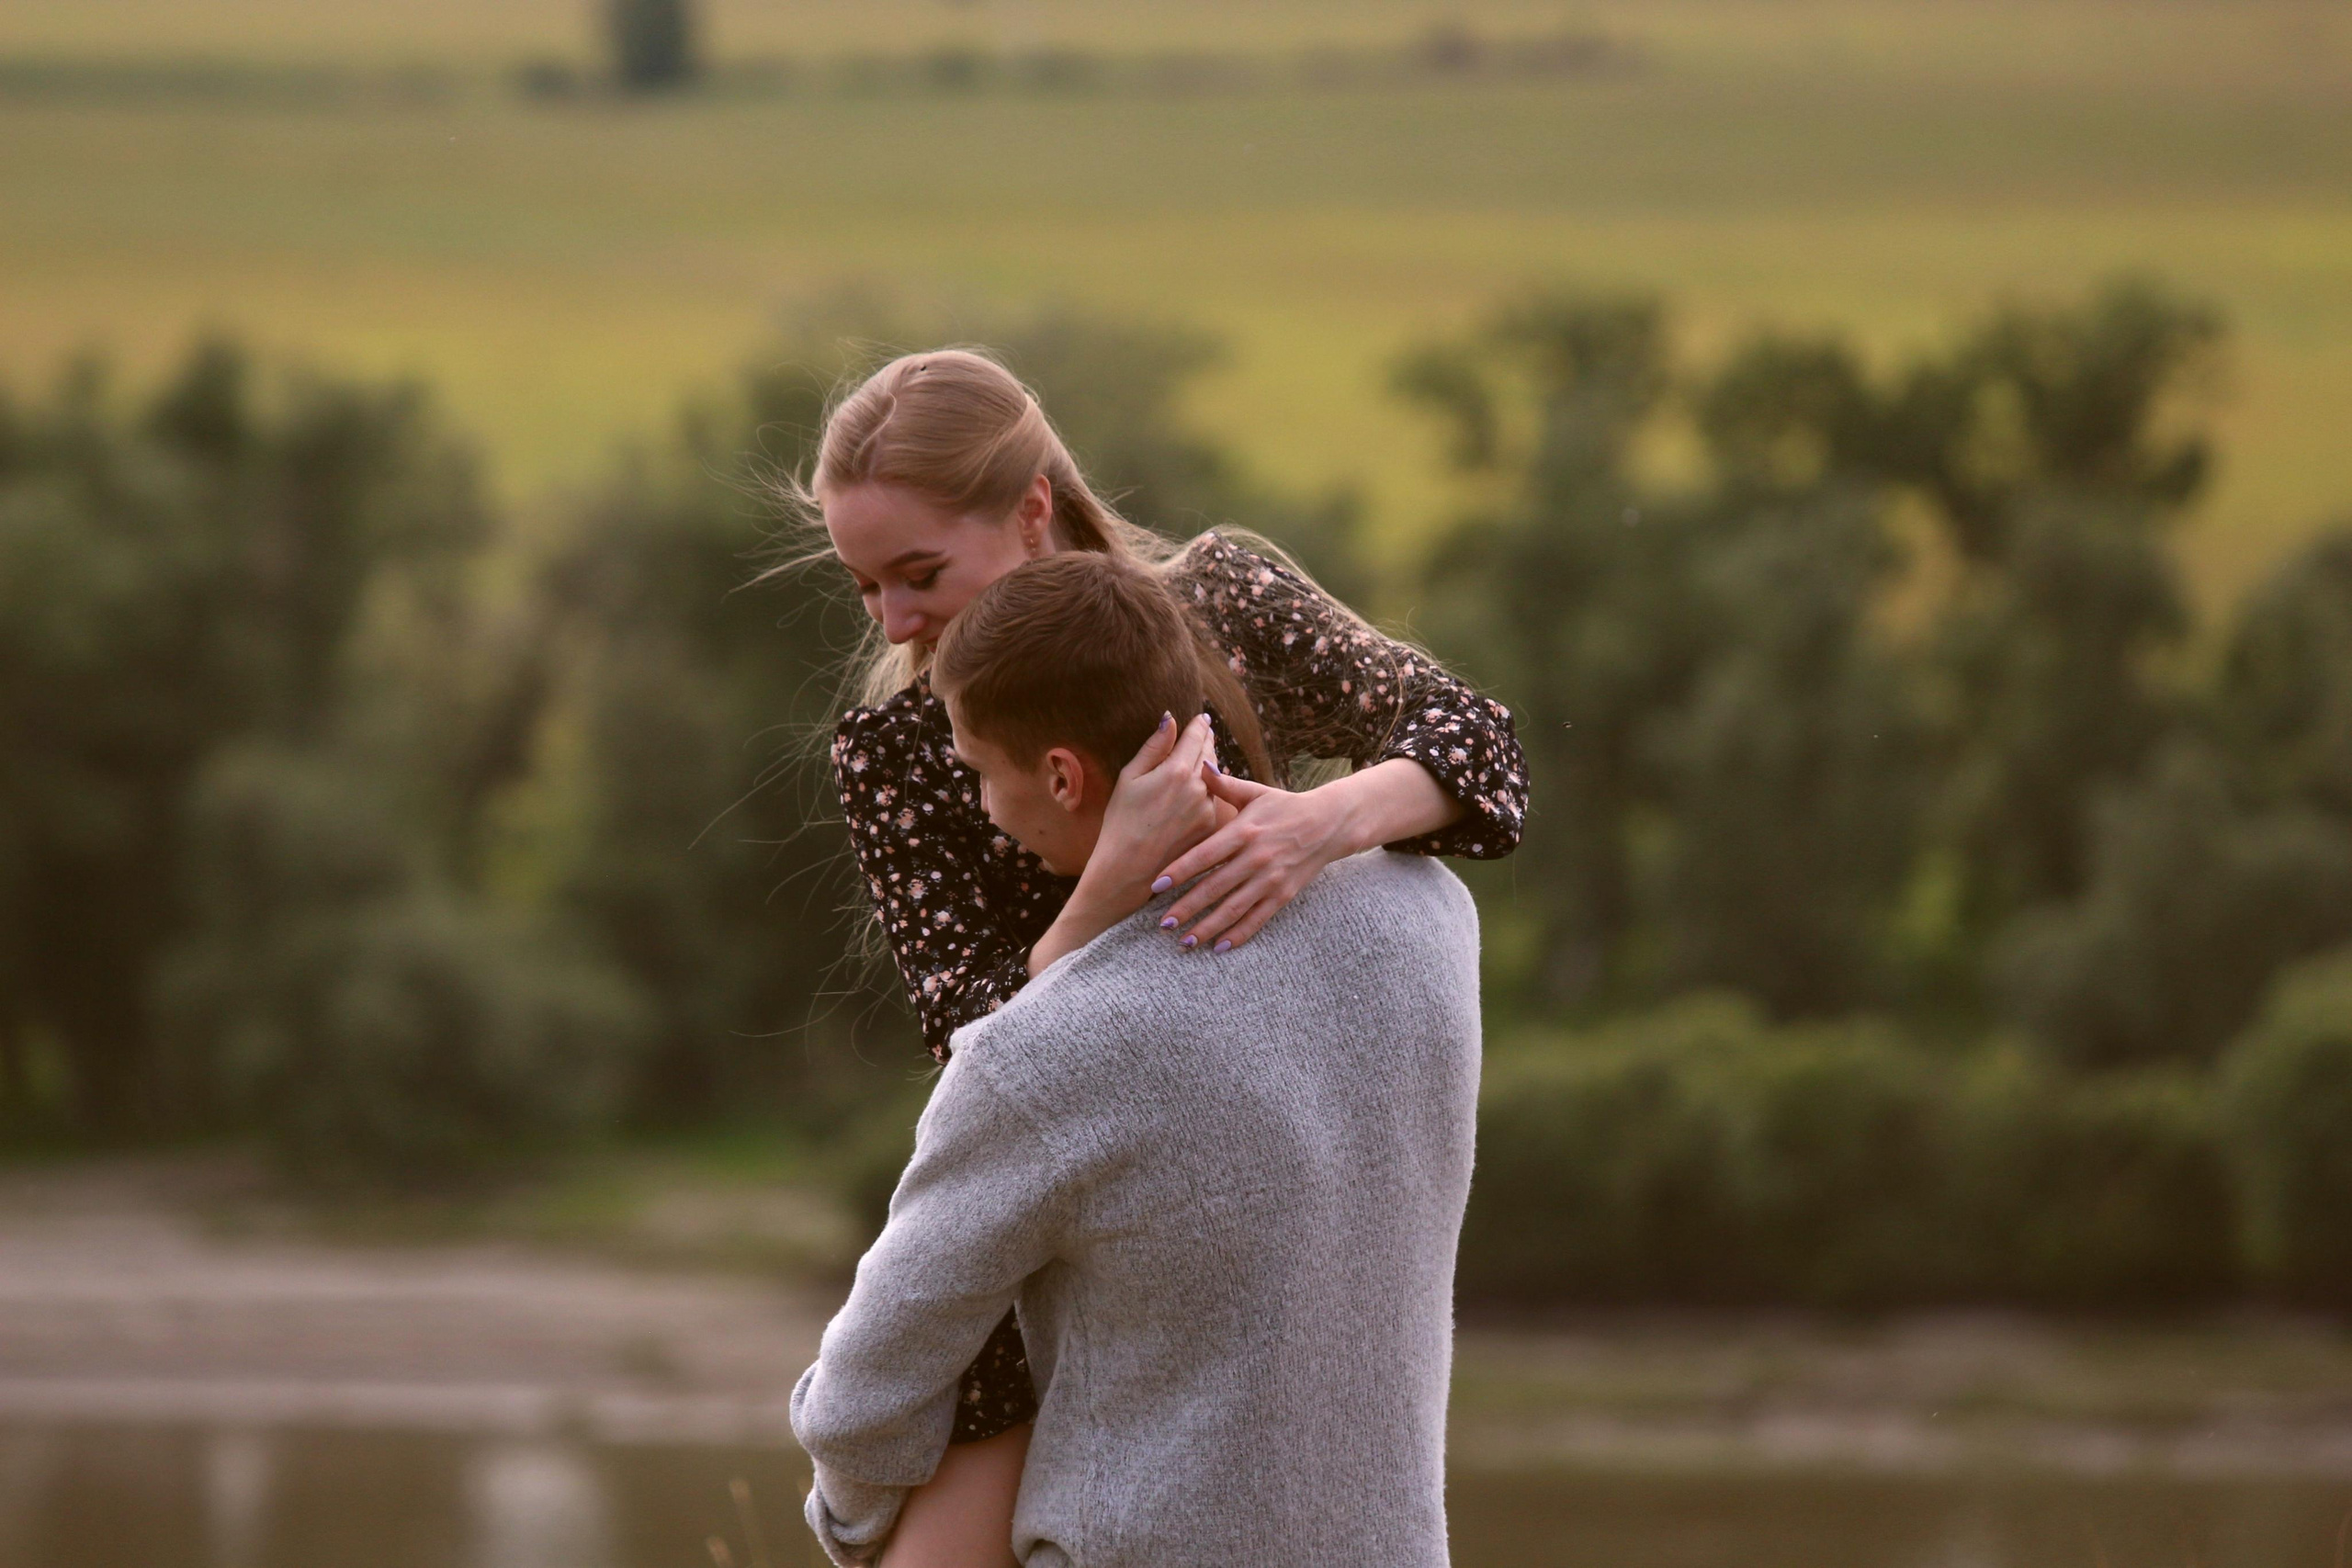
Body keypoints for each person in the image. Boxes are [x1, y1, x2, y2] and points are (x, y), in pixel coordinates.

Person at [789, 347, 1526, 1560]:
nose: (894, 621)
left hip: (1255, 1157)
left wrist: (1314, 826)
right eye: (863, 587)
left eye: (918, 575)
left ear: (1030, 511)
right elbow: (984, 1052)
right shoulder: (902, 751)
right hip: (1046, 1210)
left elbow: (1478, 749)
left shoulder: (1221, 605)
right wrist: (1107, 891)